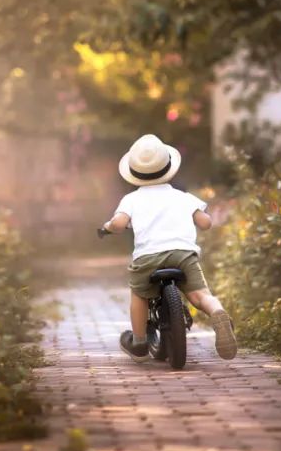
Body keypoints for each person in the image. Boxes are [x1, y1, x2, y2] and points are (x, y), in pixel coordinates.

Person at [100, 134, 238, 361]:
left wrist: (108, 226)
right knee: (200, 295)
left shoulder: (131, 200)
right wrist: (196, 217)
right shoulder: (183, 197)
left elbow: (119, 224)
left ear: (134, 174)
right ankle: (217, 312)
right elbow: (206, 222)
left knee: (139, 294)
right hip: (183, 255)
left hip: (148, 258)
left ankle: (140, 341)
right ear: (168, 168)